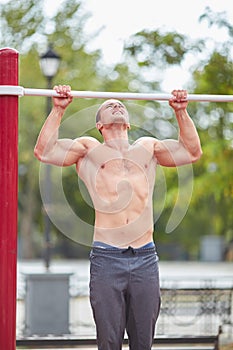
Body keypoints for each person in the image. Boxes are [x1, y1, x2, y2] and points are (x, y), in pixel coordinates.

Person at [34, 85, 202, 350]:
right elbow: (45, 152)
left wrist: (181, 112)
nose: (117, 106)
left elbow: (190, 152)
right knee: (109, 342)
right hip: (107, 259)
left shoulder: (147, 148)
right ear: (99, 124)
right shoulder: (88, 150)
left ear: (129, 122)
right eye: (109, 105)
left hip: (145, 258)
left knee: (143, 343)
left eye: (120, 104)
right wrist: (58, 109)